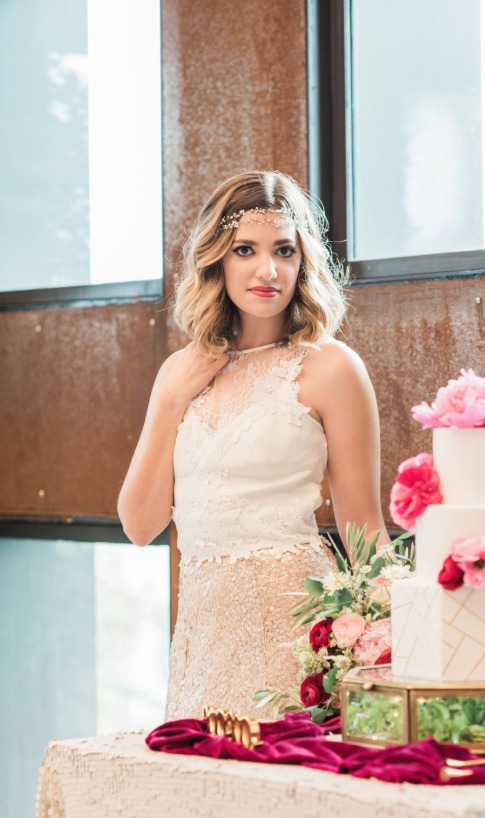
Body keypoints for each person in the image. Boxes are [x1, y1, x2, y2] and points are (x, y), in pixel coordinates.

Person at [118, 170, 389, 719]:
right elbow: (140, 525)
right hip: (201, 642)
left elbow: (364, 532)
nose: (268, 271)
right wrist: (170, 401)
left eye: (284, 250)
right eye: (246, 249)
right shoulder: (179, 372)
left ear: (303, 261)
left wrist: (395, 640)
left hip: (293, 635)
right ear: (219, 258)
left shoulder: (331, 367)